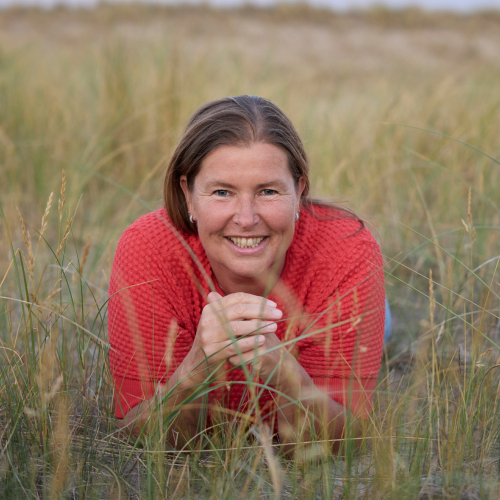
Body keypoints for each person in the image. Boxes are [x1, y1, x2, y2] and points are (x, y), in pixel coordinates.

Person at [108, 95, 385, 451]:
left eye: (268, 191)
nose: (246, 218)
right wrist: (197, 366)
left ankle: (384, 319)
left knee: (385, 327)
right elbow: (142, 435)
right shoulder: (148, 248)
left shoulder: (346, 249)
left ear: (299, 191)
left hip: (346, 296)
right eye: (222, 192)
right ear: (188, 195)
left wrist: (284, 374)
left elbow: (346, 442)